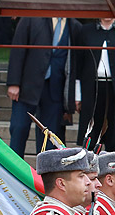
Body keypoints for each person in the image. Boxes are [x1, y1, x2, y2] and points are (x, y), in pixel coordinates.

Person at [5, 17, 77, 158]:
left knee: (49, 137)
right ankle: (13, 173)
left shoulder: (74, 25)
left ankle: (45, 176)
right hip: (27, 86)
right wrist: (14, 82)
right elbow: (18, 49)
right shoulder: (31, 19)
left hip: (55, 89)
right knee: (19, 129)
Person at [74, 18, 115, 152]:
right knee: (90, 133)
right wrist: (77, 95)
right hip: (92, 87)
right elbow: (78, 63)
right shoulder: (86, 30)